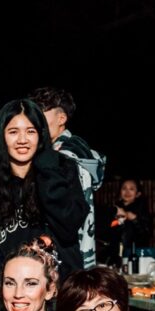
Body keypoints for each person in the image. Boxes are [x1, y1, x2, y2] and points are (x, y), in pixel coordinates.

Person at [0, 99, 90, 280]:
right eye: (13, 132)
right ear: (1, 136)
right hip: (7, 292)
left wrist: (47, 170)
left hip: (57, 289)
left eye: (31, 131)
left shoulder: (62, 168)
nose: (22, 140)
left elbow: (68, 227)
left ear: (40, 135)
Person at [32, 87, 107, 270]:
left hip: (63, 252)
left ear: (61, 118)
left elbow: (70, 215)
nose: (35, 119)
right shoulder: (73, 151)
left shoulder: (66, 157)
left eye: (42, 111)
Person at [102, 179, 151, 268]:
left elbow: (146, 235)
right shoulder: (114, 208)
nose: (127, 192)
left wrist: (135, 219)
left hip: (135, 256)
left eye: (131, 189)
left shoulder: (142, 211)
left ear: (138, 193)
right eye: (124, 188)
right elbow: (104, 232)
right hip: (113, 256)